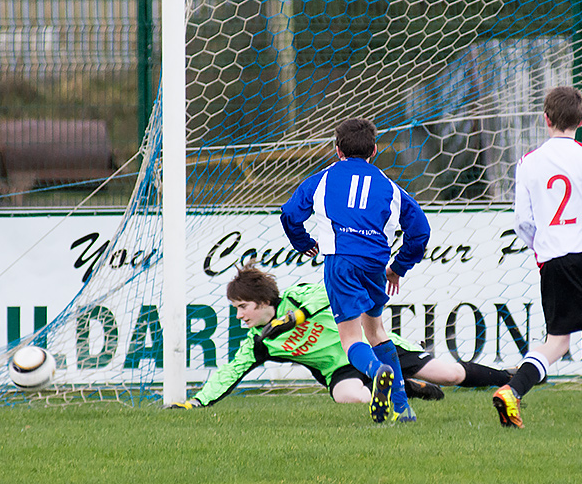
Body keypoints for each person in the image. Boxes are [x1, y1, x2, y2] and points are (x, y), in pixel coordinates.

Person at [167, 264, 514, 409]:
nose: (240, 315)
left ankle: (514, 382)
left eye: (243, 307)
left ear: (262, 302)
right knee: (352, 397)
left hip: (370, 347)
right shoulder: (260, 342)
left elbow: (329, 293)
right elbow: (230, 372)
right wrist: (197, 402)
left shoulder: (298, 296)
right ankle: (405, 388)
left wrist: (294, 318)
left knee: (451, 375)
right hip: (341, 370)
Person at [493, 85, 582, 429]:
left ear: (545, 119)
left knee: (566, 338)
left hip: (554, 261)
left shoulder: (528, 162)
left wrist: (541, 249)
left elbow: (522, 222)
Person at [280, 117, 431, 423]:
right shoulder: (390, 188)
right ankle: (403, 409)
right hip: (375, 263)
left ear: (337, 150)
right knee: (376, 331)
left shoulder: (321, 179)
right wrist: (398, 268)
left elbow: (289, 214)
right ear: (374, 150)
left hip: (341, 261)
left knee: (350, 339)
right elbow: (420, 232)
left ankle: (377, 372)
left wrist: (302, 242)